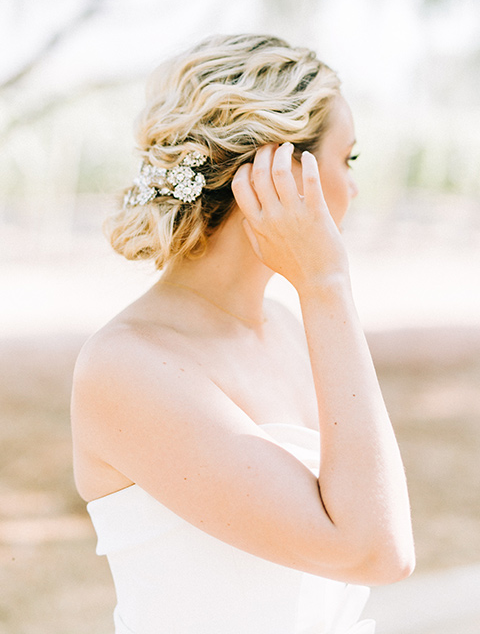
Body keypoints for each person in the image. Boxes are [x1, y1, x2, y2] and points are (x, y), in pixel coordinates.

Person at [71, 34, 415, 634]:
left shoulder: (287, 327)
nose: (355, 187)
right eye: (348, 159)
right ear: (279, 170)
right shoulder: (126, 367)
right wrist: (326, 283)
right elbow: (376, 551)